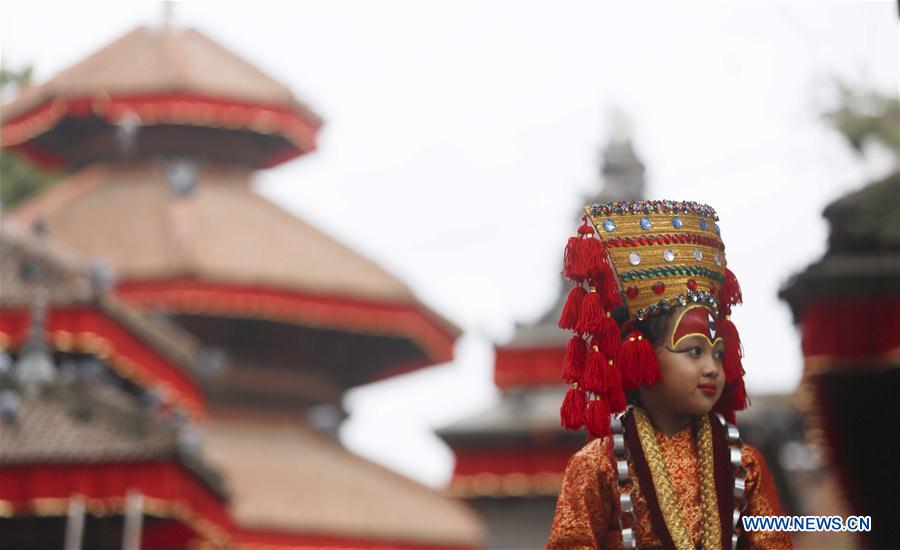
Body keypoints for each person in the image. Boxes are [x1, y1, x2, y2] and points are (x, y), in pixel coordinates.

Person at [546, 200, 791, 549]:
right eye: (693, 351)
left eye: (718, 354)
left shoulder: (745, 464)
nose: (712, 368)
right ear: (640, 353)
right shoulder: (598, 466)